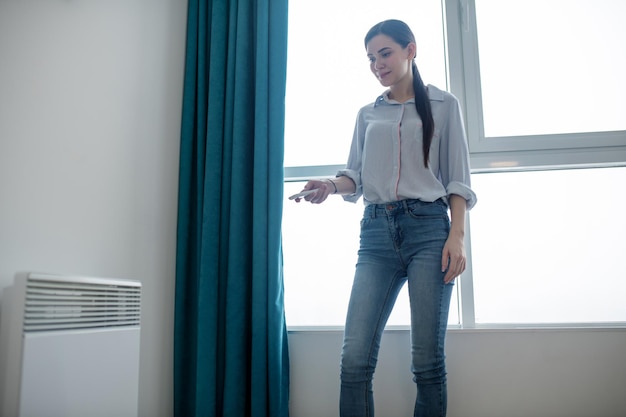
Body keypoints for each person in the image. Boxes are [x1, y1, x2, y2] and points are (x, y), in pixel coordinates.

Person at [292, 19, 476, 417]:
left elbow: (457, 180)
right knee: (354, 360)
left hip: (429, 230)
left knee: (426, 362)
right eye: (371, 58)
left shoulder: (445, 106)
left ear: (411, 50)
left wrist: (456, 237)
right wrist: (328, 183)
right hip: (375, 234)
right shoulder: (366, 114)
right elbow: (354, 176)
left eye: (385, 53)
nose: (377, 64)